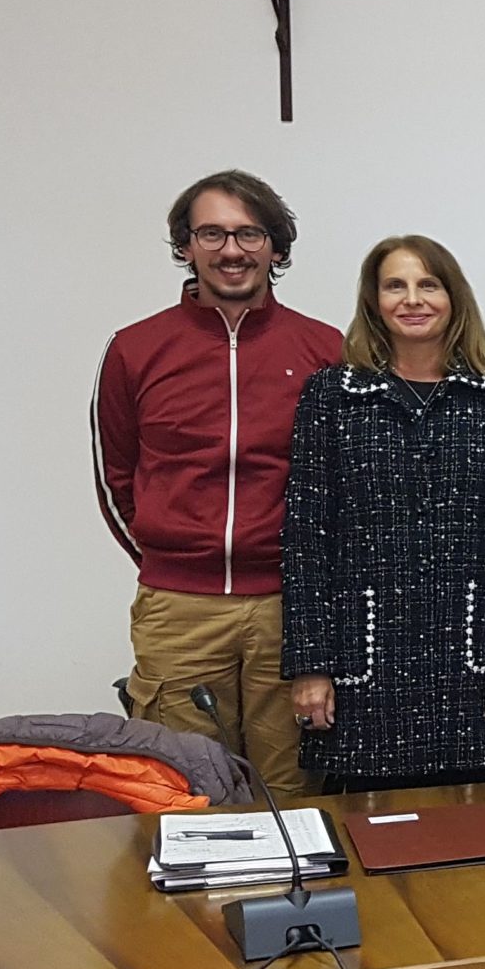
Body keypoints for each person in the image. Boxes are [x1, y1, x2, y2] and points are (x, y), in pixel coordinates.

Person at [93, 171, 342, 797]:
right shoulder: (134, 349)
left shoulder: (324, 349)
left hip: (290, 609)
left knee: (292, 792)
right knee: (189, 793)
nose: (231, 250)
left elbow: (344, 485)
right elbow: (114, 475)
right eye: (212, 233)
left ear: (276, 248)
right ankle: (201, 902)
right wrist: (171, 556)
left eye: (249, 233)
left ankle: (296, 900)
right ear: (186, 246)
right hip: (179, 610)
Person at [281, 236, 485, 793]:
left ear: (453, 297)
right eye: (395, 286)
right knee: (369, 836)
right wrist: (310, 665)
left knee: (472, 839)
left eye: (428, 284)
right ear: (373, 301)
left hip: (473, 663)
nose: (413, 299)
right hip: (365, 663)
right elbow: (305, 538)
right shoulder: (331, 396)